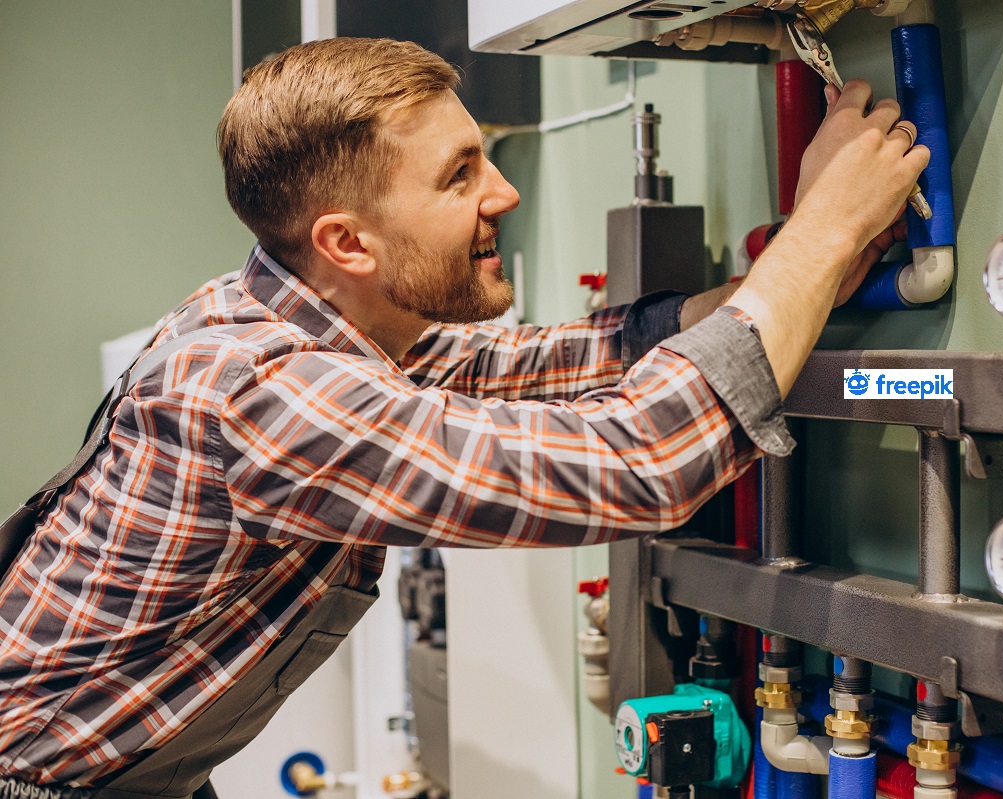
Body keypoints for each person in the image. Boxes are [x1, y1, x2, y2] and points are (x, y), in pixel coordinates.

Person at [0, 37, 926, 799]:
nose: (504, 193)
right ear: (346, 242)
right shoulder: (261, 393)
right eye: (459, 175)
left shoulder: (318, 321)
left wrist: (785, 281)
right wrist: (825, 229)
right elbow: (640, 462)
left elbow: (537, 365)